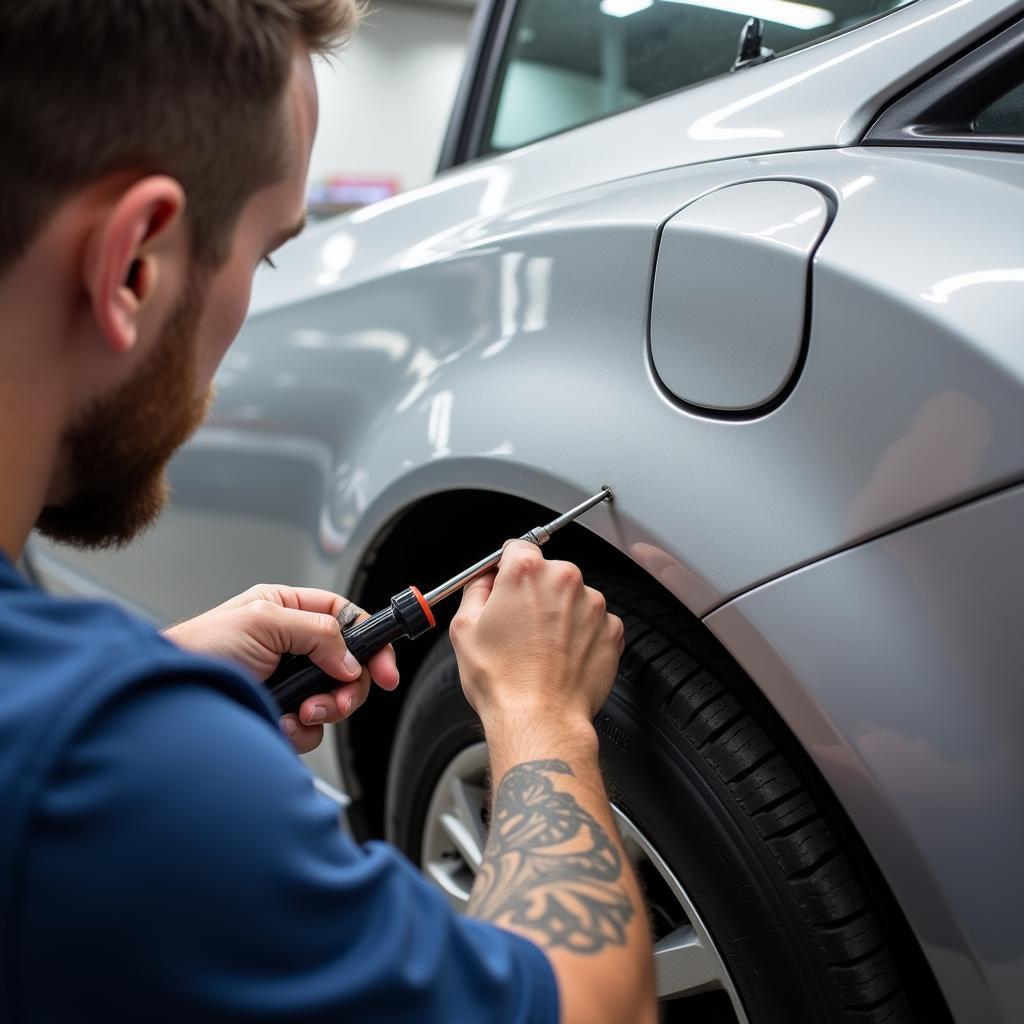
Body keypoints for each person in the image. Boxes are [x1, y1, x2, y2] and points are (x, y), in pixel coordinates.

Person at [0, 2, 657, 1022]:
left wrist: (161, 676)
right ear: (134, 262)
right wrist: (541, 718)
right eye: (265, 254)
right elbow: (591, 1007)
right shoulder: (110, 768)